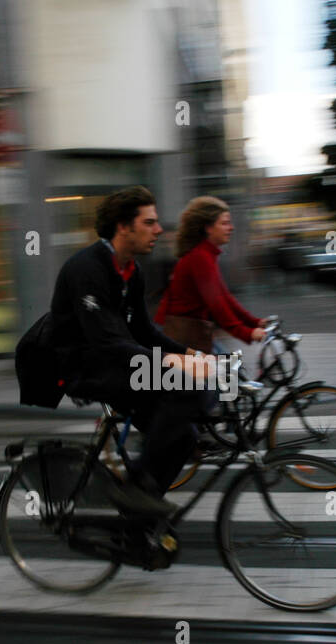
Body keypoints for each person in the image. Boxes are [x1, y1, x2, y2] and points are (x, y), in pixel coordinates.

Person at [46, 186, 214, 515]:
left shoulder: (132, 272)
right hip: (85, 368)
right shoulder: (86, 269)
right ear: (124, 227)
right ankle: (135, 487)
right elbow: (105, 341)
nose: (159, 229)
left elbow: (144, 332)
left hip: (117, 361)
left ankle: (140, 514)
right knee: (186, 385)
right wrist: (172, 361)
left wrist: (194, 355)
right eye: (149, 222)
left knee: (186, 433)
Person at [155, 196, 267, 355]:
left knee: (228, 371)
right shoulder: (199, 257)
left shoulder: (206, 255)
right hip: (179, 333)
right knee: (226, 373)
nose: (231, 228)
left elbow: (224, 297)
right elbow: (216, 303)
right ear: (208, 228)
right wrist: (245, 332)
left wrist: (254, 322)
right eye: (224, 223)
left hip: (192, 331)